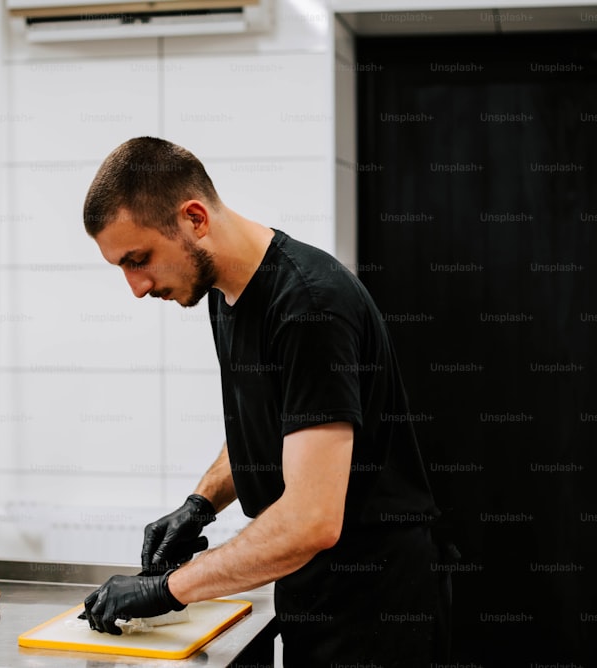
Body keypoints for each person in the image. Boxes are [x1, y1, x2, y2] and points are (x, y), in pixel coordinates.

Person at [80, 136, 448, 666]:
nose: (136, 287)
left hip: (377, 604)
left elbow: (310, 520)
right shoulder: (227, 295)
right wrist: (200, 504)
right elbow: (277, 424)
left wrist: (168, 589)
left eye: (139, 260)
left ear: (194, 219)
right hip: (313, 588)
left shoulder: (309, 306)